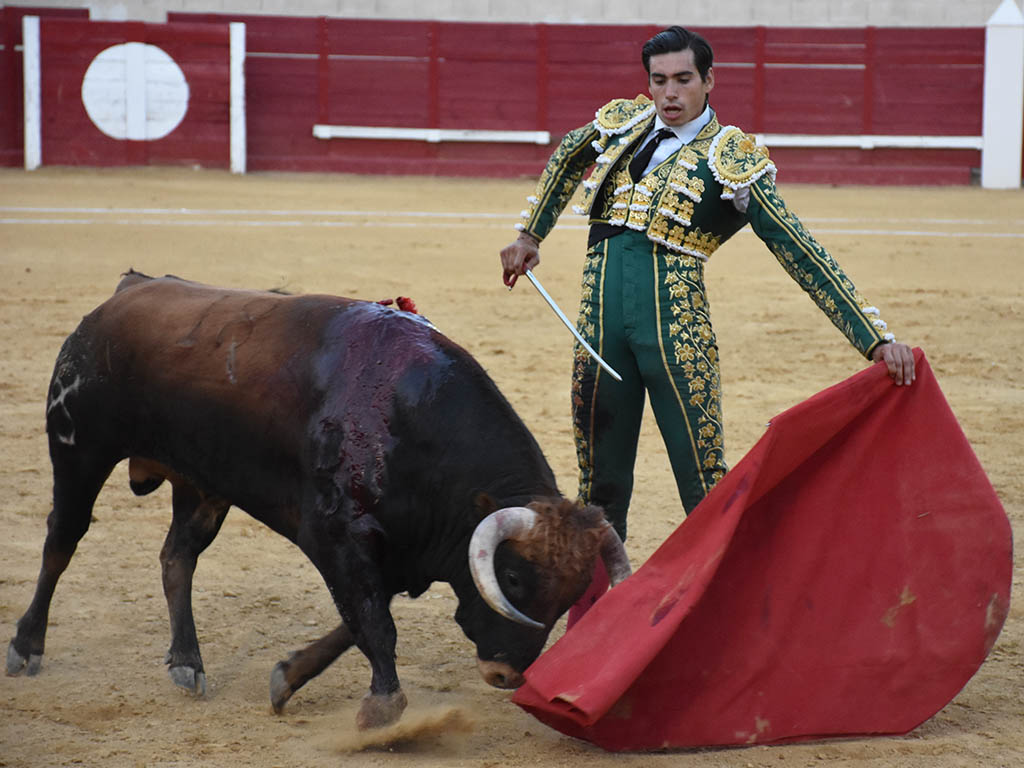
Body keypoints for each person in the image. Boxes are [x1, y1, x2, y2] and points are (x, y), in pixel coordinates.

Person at [499, 25, 915, 623]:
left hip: (676, 333)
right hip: (597, 330)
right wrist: (529, 234)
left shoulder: (732, 157)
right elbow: (569, 153)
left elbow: (800, 250)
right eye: (659, 81)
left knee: (704, 484)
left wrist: (873, 337)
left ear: (709, 80)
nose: (670, 94)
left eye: (683, 80)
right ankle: (587, 633)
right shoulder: (625, 126)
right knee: (600, 489)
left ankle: (734, 620)